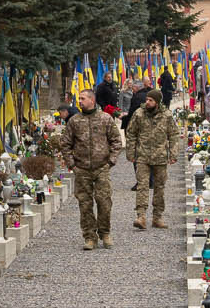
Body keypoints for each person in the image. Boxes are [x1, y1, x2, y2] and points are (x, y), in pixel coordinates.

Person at [54, 88, 119, 250]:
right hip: (81, 168)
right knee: (85, 204)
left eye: (83, 98)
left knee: (104, 202)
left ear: (92, 100)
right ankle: (90, 236)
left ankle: (105, 233)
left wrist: (110, 161)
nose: (80, 101)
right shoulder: (74, 121)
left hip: (101, 167)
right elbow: (65, 144)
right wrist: (72, 165)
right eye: (80, 99)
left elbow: (116, 141)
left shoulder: (105, 119)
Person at [127, 89, 178, 229]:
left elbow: (173, 135)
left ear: (157, 102)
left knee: (159, 188)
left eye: (151, 100)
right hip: (142, 156)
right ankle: (141, 216)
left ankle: (157, 216)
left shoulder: (166, 115)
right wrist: (130, 153)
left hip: (160, 157)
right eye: (147, 100)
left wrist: (173, 154)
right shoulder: (139, 114)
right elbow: (131, 133)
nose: (147, 102)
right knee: (142, 186)